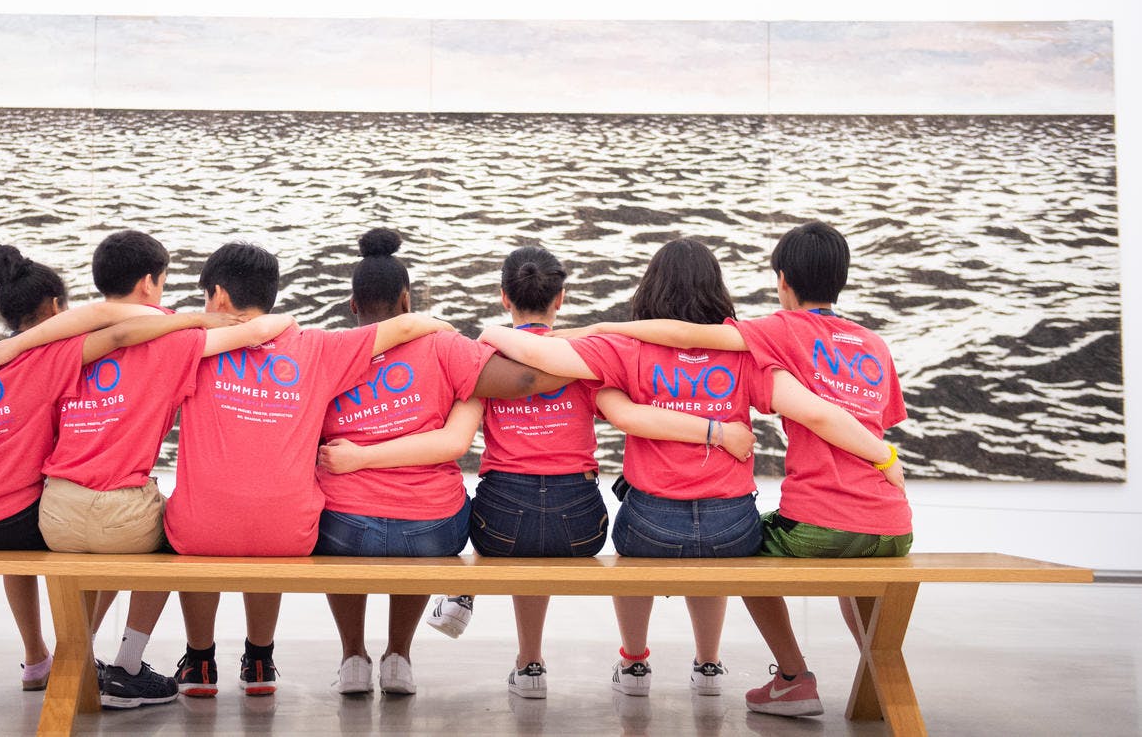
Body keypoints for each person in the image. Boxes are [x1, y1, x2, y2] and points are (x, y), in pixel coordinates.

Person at [322, 245, 751, 700]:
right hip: (581, 526)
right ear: (560, 298)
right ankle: (702, 662)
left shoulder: (482, 355)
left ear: (504, 296)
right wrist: (712, 426)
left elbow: (456, 439)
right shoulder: (585, 358)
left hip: (499, 525)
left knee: (482, 517)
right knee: (455, 516)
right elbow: (625, 414)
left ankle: (520, 657)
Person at [481, 237, 899, 701]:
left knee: (629, 545)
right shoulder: (748, 352)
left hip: (649, 528)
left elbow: (543, 360)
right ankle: (708, 664)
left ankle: (635, 662)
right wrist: (882, 455)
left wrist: (491, 335)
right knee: (732, 551)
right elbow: (814, 410)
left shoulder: (627, 346)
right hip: (731, 527)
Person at [0, 231, 294, 708]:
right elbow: (251, 333)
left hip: (56, 512)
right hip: (119, 515)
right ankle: (127, 666)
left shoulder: (68, 340)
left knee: (97, 541)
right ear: (150, 283)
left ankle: (73, 653)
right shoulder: (174, 341)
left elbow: (104, 323)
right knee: (176, 534)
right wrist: (279, 317)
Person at [0, 244, 241, 693]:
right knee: (113, 532)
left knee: (62, 522)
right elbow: (115, 331)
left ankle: (36, 659)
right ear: (55, 306)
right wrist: (196, 318)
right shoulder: (51, 356)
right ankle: (92, 655)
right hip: (6, 520)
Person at [163, 241, 456, 699]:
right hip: (288, 535)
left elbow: (127, 329)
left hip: (201, 530)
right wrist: (443, 327)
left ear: (218, 297)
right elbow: (405, 328)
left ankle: (200, 661)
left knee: (195, 511)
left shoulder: (193, 349)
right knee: (268, 518)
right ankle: (259, 659)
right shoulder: (316, 348)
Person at [315, 229, 565, 698]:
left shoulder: (326, 353)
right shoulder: (445, 346)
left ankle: (352, 657)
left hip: (342, 527)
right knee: (423, 522)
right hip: (429, 528)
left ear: (352, 305)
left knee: (337, 520)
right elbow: (528, 378)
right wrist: (594, 356)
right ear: (407, 300)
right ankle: (398, 658)